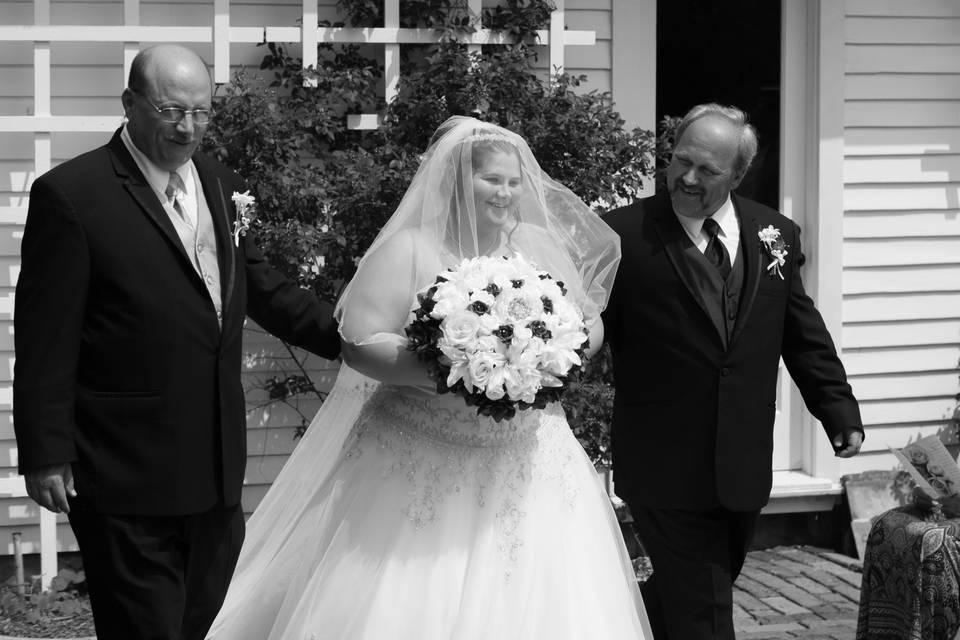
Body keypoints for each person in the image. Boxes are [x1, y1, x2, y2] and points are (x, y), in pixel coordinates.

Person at [206, 116, 653, 639]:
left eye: (513, 181)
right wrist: (454, 366)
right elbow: (361, 342)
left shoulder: (536, 245)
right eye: (491, 179)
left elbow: (587, 323)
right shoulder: (410, 249)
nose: (505, 192)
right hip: (420, 449)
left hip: (528, 453)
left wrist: (548, 358)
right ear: (457, 181)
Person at [12, 44, 340, 640]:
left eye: (201, 111)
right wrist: (44, 450)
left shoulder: (224, 186)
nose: (187, 127)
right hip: (121, 470)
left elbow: (266, 289)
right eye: (170, 110)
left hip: (214, 471)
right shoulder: (72, 195)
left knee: (203, 624)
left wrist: (353, 337)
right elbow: (44, 334)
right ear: (130, 104)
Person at [601, 102, 864, 640]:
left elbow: (801, 331)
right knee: (707, 610)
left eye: (707, 170)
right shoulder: (620, 235)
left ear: (739, 174)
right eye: (680, 161)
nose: (686, 178)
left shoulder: (775, 234)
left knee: (692, 590)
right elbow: (584, 327)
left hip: (742, 462)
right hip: (661, 462)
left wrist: (837, 409)